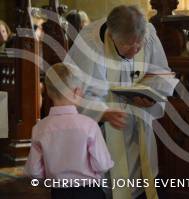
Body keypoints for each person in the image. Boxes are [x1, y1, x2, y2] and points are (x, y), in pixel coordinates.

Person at [64, 5, 178, 199]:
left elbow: (161, 74)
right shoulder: (89, 43)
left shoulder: (148, 34)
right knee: (108, 184)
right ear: (112, 34)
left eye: (138, 44)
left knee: (140, 183)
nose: (135, 49)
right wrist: (101, 112)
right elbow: (71, 91)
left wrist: (151, 98)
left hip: (139, 125)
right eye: (128, 44)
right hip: (105, 131)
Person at [24, 63, 114, 199]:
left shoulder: (39, 128)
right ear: (77, 92)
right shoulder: (89, 125)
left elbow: (34, 171)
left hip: (59, 193)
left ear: (48, 92)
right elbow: (102, 164)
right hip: (89, 192)